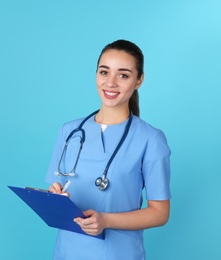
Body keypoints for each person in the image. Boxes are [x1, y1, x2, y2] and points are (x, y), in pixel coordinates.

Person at [46, 39, 171, 260]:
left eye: (123, 75)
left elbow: (160, 214)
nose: (111, 83)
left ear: (139, 80)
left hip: (118, 253)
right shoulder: (69, 131)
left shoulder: (150, 139)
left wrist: (106, 220)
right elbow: (59, 187)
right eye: (104, 72)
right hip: (68, 251)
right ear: (96, 74)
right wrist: (55, 198)